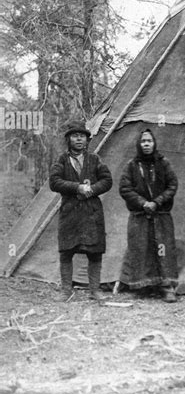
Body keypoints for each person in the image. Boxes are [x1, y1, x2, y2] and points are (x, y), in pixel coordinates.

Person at [49, 119, 113, 302]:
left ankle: (95, 290)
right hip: (70, 211)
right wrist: (77, 187)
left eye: (82, 136)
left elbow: (107, 180)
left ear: (87, 140)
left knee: (94, 251)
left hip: (91, 211)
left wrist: (92, 189)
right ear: (68, 140)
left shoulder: (95, 160)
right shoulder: (61, 160)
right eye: (75, 136)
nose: (79, 140)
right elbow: (54, 182)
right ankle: (66, 290)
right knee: (67, 250)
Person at [118, 128, 178, 302]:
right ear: (139, 144)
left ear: (154, 143)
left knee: (163, 249)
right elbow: (125, 188)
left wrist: (157, 201)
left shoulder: (164, 163)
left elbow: (172, 185)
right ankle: (144, 285)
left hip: (161, 214)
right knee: (141, 249)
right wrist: (143, 203)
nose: (146, 145)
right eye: (143, 141)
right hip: (140, 215)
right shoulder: (131, 165)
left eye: (149, 141)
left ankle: (166, 287)